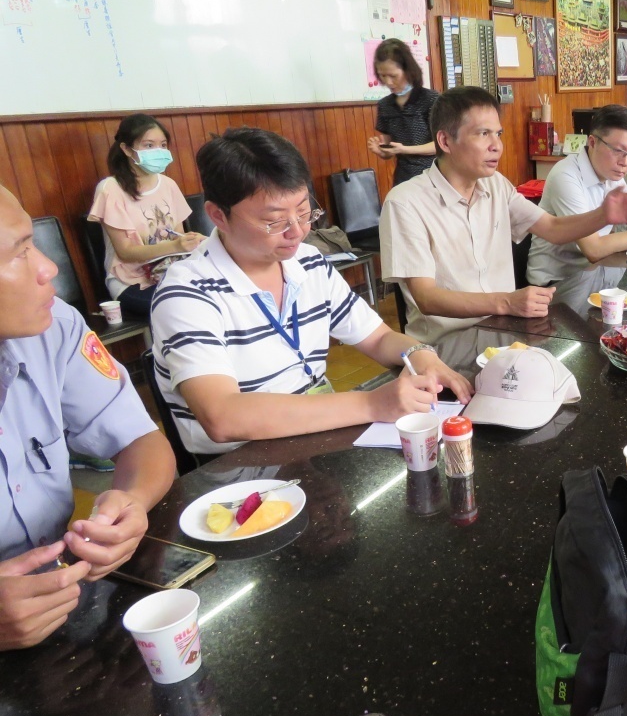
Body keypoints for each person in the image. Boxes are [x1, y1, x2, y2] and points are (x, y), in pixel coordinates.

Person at [151, 127, 472, 456]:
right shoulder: (187, 292)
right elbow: (223, 417)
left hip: (316, 437)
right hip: (239, 462)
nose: (298, 232)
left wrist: (422, 355)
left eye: (304, 212)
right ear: (219, 215)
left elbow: (377, 338)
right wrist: (373, 404)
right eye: (274, 221)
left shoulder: (308, 263)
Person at [0, 184, 176, 650]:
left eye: (32, 242)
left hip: (65, 613)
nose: (48, 268)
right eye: (17, 255)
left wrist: (130, 502)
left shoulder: (51, 325)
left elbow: (140, 440)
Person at [378, 87, 627, 342]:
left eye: (498, 134)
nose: (496, 145)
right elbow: (426, 298)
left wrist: (603, 215)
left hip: (505, 332)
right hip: (445, 346)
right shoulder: (405, 202)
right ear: (445, 141)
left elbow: (551, 227)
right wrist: (507, 303)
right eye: (482, 134)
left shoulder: (496, 184)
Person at [526, 105, 627, 303]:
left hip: (598, 270)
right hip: (556, 285)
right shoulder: (566, 175)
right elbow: (593, 249)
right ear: (592, 142)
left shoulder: (611, 172)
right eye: (619, 151)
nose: (625, 163)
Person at [87, 113, 206, 319]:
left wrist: (191, 242)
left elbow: (177, 237)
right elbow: (125, 253)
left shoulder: (168, 184)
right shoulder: (110, 189)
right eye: (149, 146)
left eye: (162, 145)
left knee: (217, 294)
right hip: (130, 282)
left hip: (170, 273)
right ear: (126, 149)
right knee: (185, 307)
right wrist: (176, 246)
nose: (158, 151)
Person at [366, 39, 439, 188]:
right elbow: (390, 150)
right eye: (382, 76)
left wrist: (405, 149)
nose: (388, 82)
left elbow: (441, 145)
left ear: (408, 70)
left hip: (434, 178)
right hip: (403, 179)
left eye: (393, 76)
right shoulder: (385, 105)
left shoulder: (431, 99)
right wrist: (381, 151)